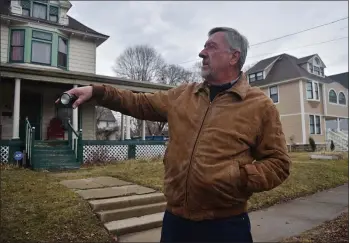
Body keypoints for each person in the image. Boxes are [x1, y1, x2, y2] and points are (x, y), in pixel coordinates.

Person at [59, 27, 291, 242]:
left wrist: (237, 178)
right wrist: (97, 91)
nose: (202, 53)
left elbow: (279, 164)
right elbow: (139, 102)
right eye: (204, 46)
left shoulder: (259, 106)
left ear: (234, 57)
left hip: (226, 226)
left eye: (211, 47)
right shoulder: (183, 96)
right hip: (176, 223)